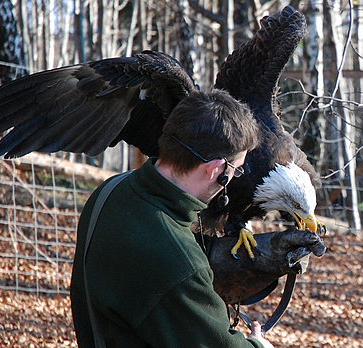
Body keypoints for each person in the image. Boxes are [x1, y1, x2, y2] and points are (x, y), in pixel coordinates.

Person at [70, 89, 275, 347]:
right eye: (236, 169)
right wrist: (259, 345)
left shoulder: (109, 192)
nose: (235, 177)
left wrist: (217, 250)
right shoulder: (180, 265)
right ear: (215, 170)